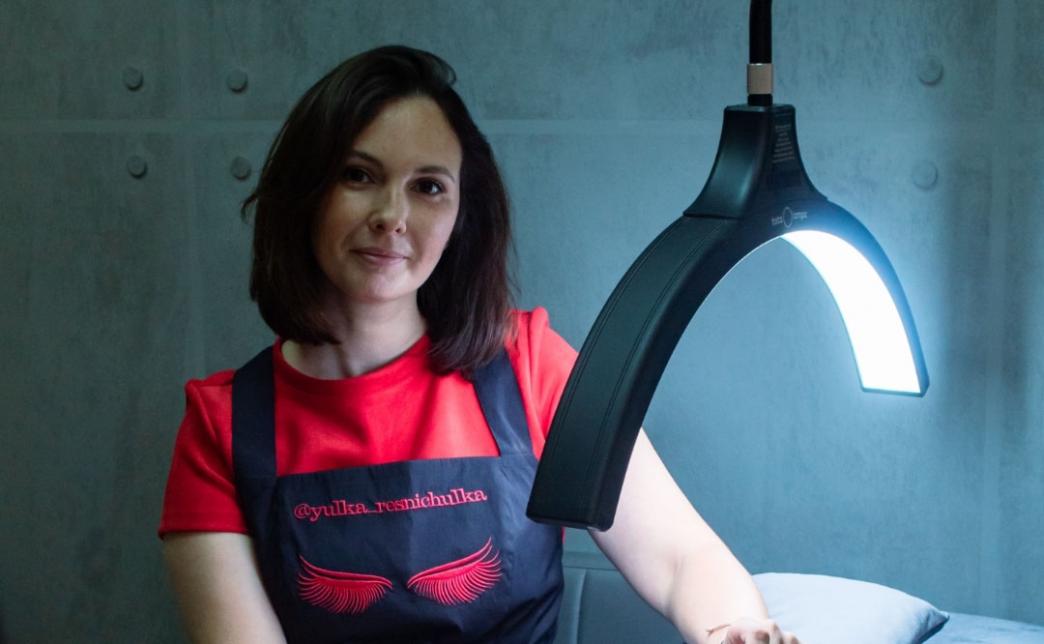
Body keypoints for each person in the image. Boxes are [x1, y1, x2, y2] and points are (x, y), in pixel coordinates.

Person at [158, 45, 800, 644]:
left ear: (461, 214)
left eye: (428, 186)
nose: (392, 216)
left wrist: (734, 628)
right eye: (358, 175)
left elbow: (682, 557)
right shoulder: (222, 427)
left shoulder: (532, 366)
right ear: (305, 194)